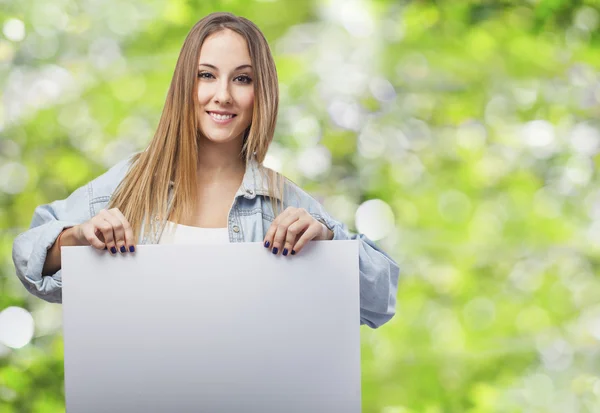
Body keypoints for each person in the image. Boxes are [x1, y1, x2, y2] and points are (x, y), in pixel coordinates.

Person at [12, 12, 399, 329]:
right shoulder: (132, 183)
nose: (223, 95)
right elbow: (28, 258)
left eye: (242, 79)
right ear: (186, 84)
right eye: (207, 75)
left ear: (260, 92)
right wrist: (78, 238)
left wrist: (328, 241)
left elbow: (381, 300)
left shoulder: (281, 203)